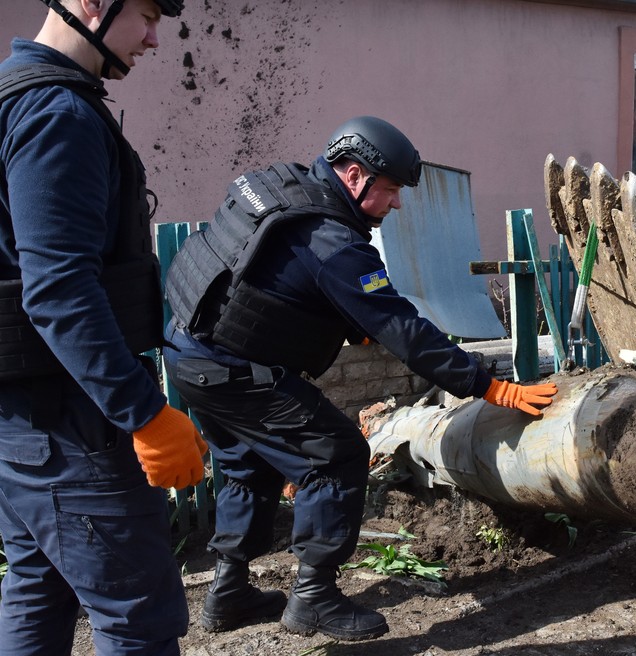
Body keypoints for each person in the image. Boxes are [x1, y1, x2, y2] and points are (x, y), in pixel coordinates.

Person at [161, 115, 559, 642]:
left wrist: (343, 318)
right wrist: (489, 386)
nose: (396, 204)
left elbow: (269, 278)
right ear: (354, 177)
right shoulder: (335, 243)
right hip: (235, 371)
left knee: (248, 461)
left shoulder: (283, 191)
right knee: (337, 453)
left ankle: (229, 590)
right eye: (391, 190)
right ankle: (315, 599)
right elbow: (404, 328)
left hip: (190, 355)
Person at [0, 1, 208, 654]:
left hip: (24, 419)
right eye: (146, 13)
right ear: (90, 2)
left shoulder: (16, 93)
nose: (153, 37)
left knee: (38, 588)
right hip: (70, 420)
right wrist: (144, 413)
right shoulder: (56, 114)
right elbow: (60, 290)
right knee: (137, 615)